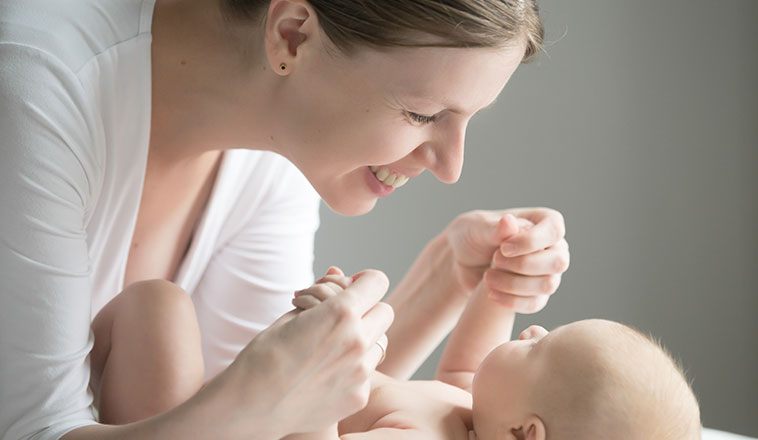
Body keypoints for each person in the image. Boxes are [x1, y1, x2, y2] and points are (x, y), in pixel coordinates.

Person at [0, 0, 569, 439]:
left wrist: (451, 273)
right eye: (423, 113)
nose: (451, 168)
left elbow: (278, 406)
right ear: (292, 34)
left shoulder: (276, 150)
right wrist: (268, 391)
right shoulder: (38, 89)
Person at [279, 240, 702, 440]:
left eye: (539, 347)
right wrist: (502, 285)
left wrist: (322, 364)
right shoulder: (479, 417)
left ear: (525, 433)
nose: (534, 330)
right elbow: (469, 368)